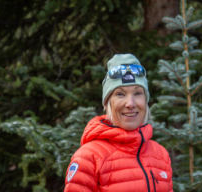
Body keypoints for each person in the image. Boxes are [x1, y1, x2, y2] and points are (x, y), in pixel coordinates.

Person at [64, 53, 173, 192]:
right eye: (120, 94)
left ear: (146, 101)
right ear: (108, 103)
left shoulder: (160, 155)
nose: (130, 103)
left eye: (138, 93)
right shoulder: (89, 157)